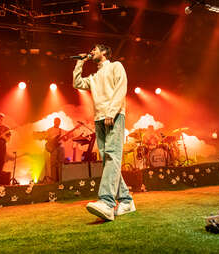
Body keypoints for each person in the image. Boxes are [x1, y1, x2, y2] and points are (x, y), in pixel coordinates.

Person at [73, 44, 135, 221]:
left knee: (112, 156)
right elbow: (77, 83)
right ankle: (126, 200)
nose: (91, 51)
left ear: (104, 52)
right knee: (108, 159)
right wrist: (80, 63)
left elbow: (121, 88)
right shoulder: (93, 77)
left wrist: (112, 111)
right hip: (99, 118)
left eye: (95, 49)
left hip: (113, 116)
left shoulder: (116, 66)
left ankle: (107, 202)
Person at [44, 117, 67, 182]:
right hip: (53, 148)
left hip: (61, 147)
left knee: (61, 164)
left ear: (60, 123)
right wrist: (52, 140)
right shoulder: (49, 130)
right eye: (56, 121)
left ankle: (61, 179)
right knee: (53, 164)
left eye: (58, 122)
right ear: (54, 122)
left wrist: (66, 137)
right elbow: (46, 138)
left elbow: (65, 139)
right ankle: (54, 180)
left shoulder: (62, 130)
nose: (57, 123)